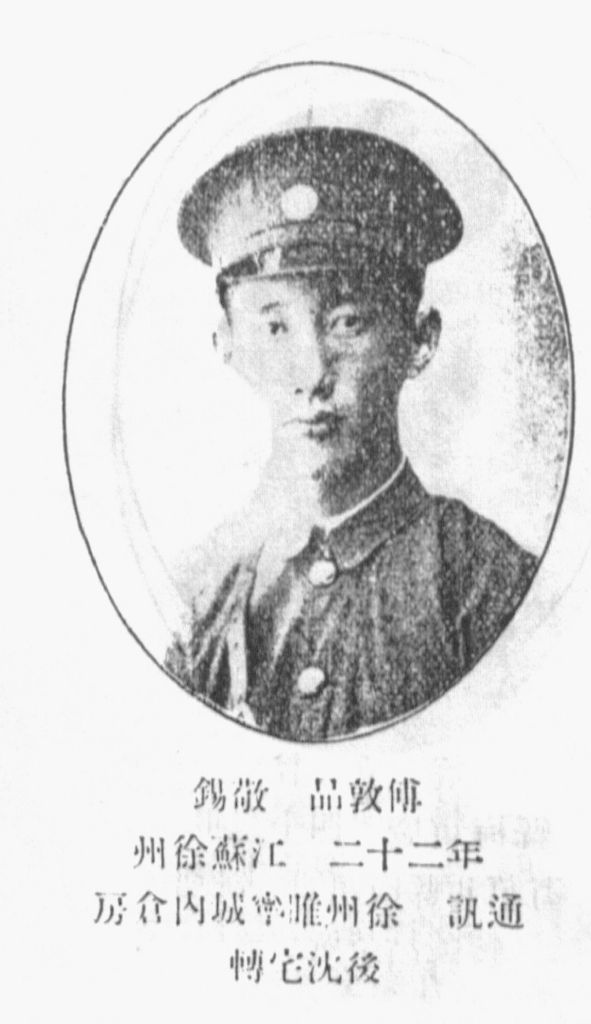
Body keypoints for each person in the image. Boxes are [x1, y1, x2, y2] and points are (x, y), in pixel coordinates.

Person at [165, 126, 537, 741]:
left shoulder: (484, 584)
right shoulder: (203, 611)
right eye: (275, 328)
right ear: (227, 346)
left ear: (419, 341)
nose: (311, 374)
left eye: (348, 323)